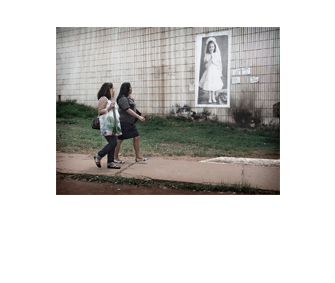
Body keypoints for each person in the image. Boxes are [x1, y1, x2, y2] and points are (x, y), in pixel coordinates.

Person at [114, 82, 147, 163]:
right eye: (130, 88)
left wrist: (130, 100)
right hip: (124, 122)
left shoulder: (126, 98)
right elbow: (128, 109)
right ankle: (115, 157)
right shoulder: (122, 99)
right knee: (120, 139)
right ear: (127, 89)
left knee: (136, 137)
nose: (131, 89)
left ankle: (138, 157)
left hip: (130, 123)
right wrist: (139, 117)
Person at [93, 82, 121, 169]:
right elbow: (100, 111)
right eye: (112, 88)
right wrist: (109, 108)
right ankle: (98, 156)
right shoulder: (103, 99)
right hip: (107, 125)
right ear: (107, 90)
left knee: (113, 143)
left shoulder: (109, 100)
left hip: (114, 125)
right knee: (113, 143)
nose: (114, 90)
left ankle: (110, 162)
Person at [199, 37, 223, 103]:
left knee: (214, 85)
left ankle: (213, 98)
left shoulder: (216, 55)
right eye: (210, 47)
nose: (211, 48)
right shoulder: (207, 55)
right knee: (209, 84)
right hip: (209, 71)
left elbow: (216, 64)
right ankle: (209, 98)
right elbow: (206, 66)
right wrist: (210, 60)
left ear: (214, 47)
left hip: (214, 72)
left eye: (212, 47)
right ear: (208, 48)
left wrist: (213, 58)